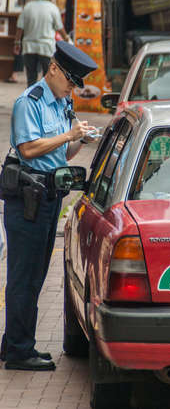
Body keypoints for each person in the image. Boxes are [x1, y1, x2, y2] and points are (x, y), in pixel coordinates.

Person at [0, 41, 98, 371]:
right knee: (23, 277)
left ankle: (14, 342)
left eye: (75, 84)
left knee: (36, 275)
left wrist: (78, 139)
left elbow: (62, 155)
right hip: (28, 196)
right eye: (69, 80)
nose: (71, 88)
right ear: (53, 69)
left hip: (50, 195)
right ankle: (18, 350)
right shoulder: (31, 101)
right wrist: (68, 134)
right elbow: (28, 149)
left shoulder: (61, 102)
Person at [14, 0, 70, 88]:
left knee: (31, 78)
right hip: (46, 48)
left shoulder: (28, 7)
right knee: (47, 78)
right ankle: (44, 102)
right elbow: (59, 27)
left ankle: (31, 102)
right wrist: (67, 39)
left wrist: (17, 43)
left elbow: (20, 27)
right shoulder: (53, 8)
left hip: (29, 47)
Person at [6, 0, 48, 84]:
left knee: (20, 47)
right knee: (41, 50)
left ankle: (15, 74)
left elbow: (19, 4)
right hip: (42, 23)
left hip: (27, 21)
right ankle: (41, 77)